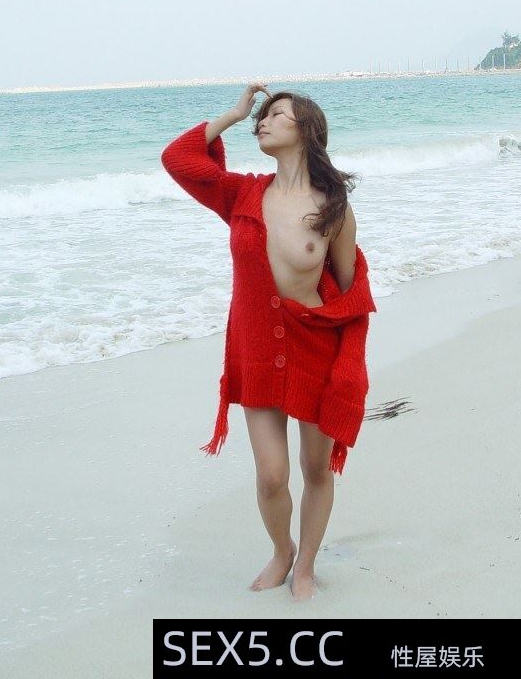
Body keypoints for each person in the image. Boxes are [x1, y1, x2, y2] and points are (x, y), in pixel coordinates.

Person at [161, 82, 376, 601]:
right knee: (272, 476)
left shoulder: (333, 208)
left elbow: (351, 293)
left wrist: (350, 366)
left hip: (316, 349)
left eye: (276, 113)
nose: (263, 120)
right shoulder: (242, 194)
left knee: (315, 468)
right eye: (260, 115)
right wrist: (232, 114)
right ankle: (283, 550)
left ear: (306, 128)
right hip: (257, 351)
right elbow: (178, 159)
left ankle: (306, 566)